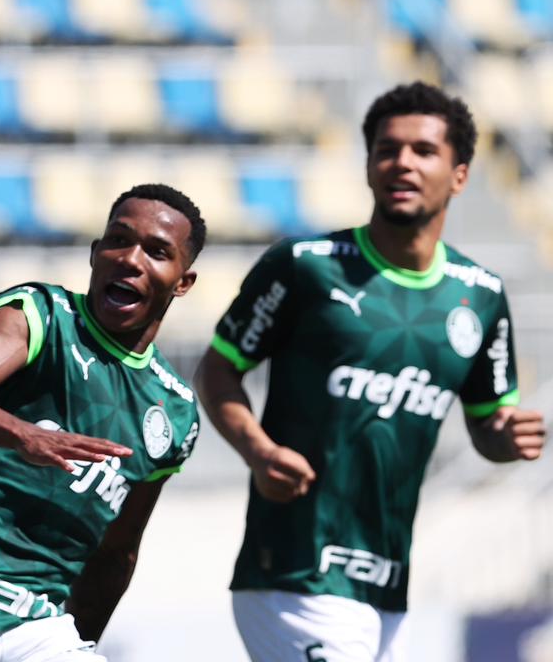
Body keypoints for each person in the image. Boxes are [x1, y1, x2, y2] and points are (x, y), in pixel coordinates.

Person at [195, 81, 546, 662]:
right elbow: (218, 369)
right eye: (387, 148)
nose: (402, 162)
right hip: (293, 573)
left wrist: (505, 438)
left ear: (460, 175)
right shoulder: (304, 268)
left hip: (387, 588)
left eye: (423, 151)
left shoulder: (480, 296)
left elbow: (489, 425)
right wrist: (257, 450)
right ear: (367, 165)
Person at [0, 184, 206, 661]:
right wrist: (24, 435)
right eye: (118, 240)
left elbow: (117, 553)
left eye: (157, 251)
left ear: (182, 281)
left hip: (32, 627)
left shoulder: (176, 412)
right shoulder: (43, 314)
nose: (130, 259)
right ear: (95, 252)